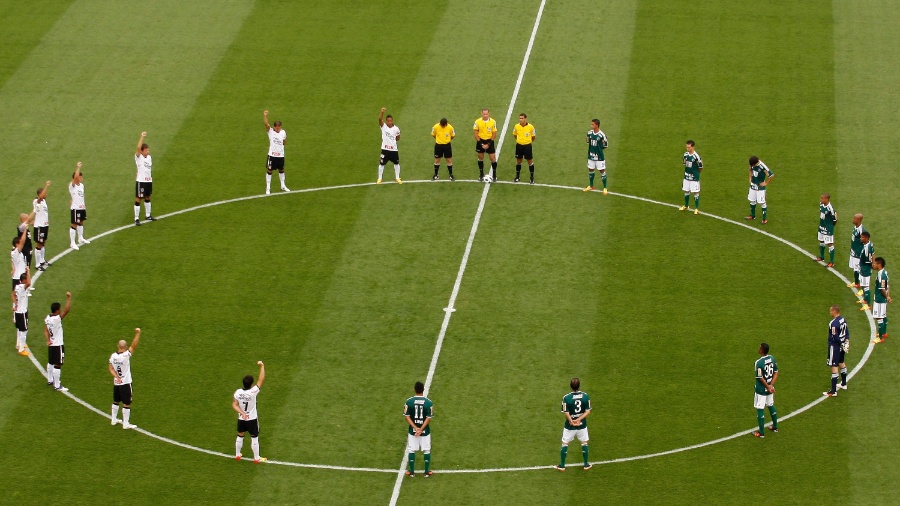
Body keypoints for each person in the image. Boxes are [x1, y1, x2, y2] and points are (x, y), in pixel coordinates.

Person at [233, 361, 267, 463]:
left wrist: (242, 413)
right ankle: (256, 458)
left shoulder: (238, 392)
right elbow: (261, 380)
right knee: (254, 437)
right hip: (252, 419)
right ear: (251, 384)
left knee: (240, 435)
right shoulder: (253, 392)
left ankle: (237, 454)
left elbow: (234, 404)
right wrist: (262, 366)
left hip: (241, 419)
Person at [556, 377, 592, 471]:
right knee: (584, 442)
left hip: (569, 426)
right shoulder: (585, 396)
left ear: (570, 386)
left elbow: (566, 412)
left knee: (565, 443)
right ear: (579, 386)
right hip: (582, 425)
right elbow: (588, 411)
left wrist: (571, 421)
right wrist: (579, 419)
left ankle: (562, 466)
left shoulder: (566, 398)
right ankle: (586, 464)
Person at [109, 328, 141, 429]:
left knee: (116, 401)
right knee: (127, 403)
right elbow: (134, 346)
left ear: (118, 346)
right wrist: (137, 333)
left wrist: (116, 376)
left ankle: (114, 419)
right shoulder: (126, 356)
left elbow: (110, 368)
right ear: (125, 347)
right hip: (126, 383)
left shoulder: (113, 356)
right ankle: (126, 424)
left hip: (117, 383)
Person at [403, 381, 434, 477]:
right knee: (426, 450)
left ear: (414, 389)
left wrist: (416, 428)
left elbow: (407, 416)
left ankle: (411, 471)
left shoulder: (409, 401)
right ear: (423, 389)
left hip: (413, 431)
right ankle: (426, 471)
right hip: (425, 430)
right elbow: (429, 418)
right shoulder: (428, 402)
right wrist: (421, 429)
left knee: (411, 450)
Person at [44, 291, 72, 391]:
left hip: (51, 344)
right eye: (59, 309)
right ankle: (57, 385)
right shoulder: (56, 319)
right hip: (58, 344)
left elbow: (45, 330)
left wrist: (48, 340)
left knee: (51, 362)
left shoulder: (47, 318)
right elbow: (67, 310)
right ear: (57, 310)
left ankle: (50, 379)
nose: (61, 310)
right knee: (58, 364)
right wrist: (69, 298)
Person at [752, 342, 779, 437]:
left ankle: (761, 432)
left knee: (760, 408)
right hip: (770, 388)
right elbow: (776, 372)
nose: (758, 348)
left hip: (761, 389)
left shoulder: (758, 363)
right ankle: (775, 427)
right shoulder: (772, 358)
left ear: (762, 350)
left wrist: (767, 387)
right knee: (771, 405)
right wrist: (771, 385)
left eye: (759, 347)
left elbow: (760, 377)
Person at [823, 305, 849, 397]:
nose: (830, 312)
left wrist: (841, 343)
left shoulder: (833, 323)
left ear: (834, 311)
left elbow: (835, 336)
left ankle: (833, 391)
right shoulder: (843, 319)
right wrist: (846, 342)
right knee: (841, 362)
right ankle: (844, 384)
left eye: (831, 311)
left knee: (834, 366)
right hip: (842, 346)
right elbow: (847, 332)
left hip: (835, 347)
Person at [263, 110, 289, 194]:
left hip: (280, 155)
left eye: (279, 127)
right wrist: (265, 116)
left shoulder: (283, 132)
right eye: (277, 127)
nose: (278, 128)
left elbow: (284, 141)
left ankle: (283, 185)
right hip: (272, 155)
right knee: (270, 170)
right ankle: (268, 188)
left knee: (281, 170)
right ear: (274, 127)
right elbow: (266, 125)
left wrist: (281, 147)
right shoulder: (270, 132)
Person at [133, 132, 157, 226]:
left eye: (148, 150)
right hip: (141, 181)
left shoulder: (149, 158)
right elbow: (138, 148)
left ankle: (148, 215)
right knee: (138, 198)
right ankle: (136, 218)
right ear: (142, 151)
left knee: (148, 197)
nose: (148, 152)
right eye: (146, 150)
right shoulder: (139, 157)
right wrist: (142, 137)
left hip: (148, 181)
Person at [745, 156, 774, 224]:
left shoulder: (762, 166)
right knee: (752, 200)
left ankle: (764, 219)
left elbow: (771, 175)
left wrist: (766, 183)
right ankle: (752, 216)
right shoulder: (752, 164)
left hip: (760, 188)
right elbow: (750, 169)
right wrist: (750, 177)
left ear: (756, 163)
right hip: (753, 185)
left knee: (762, 202)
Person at [377, 108, 402, 184]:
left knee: (396, 163)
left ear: (392, 121)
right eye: (388, 121)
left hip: (394, 150)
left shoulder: (396, 129)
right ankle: (380, 178)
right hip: (385, 149)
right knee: (382, 164)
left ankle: (397, 178)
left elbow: (398, 138)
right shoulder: (383, 126)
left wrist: (392, 141)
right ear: (386, 121)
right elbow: (380, 119)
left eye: (390, 121)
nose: (389, 122)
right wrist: (382, 112)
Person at [68, 162, 89, 250]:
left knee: (81, 222)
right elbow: (75, 177)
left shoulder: (82, 186)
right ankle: (72, 243)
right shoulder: (72, 186)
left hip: (82, 207)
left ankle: (80, 238)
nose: (81, 178)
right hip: (76, 208)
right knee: (74, 224)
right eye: (80, 177)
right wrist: (78, 167)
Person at [584, 119, 609, 194]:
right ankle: (591, 186)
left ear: (597, 125)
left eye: (592, 124)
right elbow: (588, 141)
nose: (591, 126)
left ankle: (605, 188)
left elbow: (605, 145)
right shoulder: (589, 133)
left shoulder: (602, 135)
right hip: (591, 155)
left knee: (602, 171)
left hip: (599, 157)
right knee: (590, 170)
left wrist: (599, 149)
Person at [679, 140, 703, 215]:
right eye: (686, 147)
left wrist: (696, 173)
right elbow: (684, 163)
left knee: (695, 192)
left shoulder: (696, 156)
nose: (687, 149)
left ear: (693, 147)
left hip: (694, 178)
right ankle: (686, 206)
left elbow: (701, 167)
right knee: (686, 191)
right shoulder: (685, 155)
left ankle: (696, 208)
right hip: (686, 177)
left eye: (689, 147)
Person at [473, 108, 498, 180]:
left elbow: (494, 134)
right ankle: (481, 174)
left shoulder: (493, 122)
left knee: (492, 158)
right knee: (480, 158)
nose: (485, 115)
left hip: (489, 141)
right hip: (480, 141)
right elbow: (475, 134)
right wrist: (481, 144)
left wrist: (488, 144)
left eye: (486, 114)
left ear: (489, 114)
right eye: (484, 114)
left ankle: (494, 174)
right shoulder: (477, 122)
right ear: (481, 113)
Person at [815, 193, 837, 267]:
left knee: (830, 244)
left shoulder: (831, 208)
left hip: (828, 229)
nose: (821, 200)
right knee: (821, 241)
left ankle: (832, 262)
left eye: (822, 198)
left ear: (827, 199)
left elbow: (835, 220)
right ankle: (821, 257)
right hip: (821, 227)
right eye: (821, 198)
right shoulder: (821, 204)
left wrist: (830, 227)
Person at [33, 181, 52, 270]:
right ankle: (37, 264)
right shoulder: (37, 201)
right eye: (44, 193)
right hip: (39, 226)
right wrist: (46, 186)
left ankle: (42, 261)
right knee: (39, 244)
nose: (46, 194)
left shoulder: (44, 201)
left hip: (44, 226)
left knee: (43, 243)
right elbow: (40, 197)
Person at [512, 113, 536, 183]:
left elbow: (533, 137)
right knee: (519, 161)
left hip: (527, 146)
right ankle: (517, 177)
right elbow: (515, 135)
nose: (520, 120)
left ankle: (532, 178)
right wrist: (519, 140)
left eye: (522, 118)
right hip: (519, 146)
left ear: (525, 119)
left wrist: (527, 141)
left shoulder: (530, 127)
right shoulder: (516, 126)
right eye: (520, 118)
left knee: (530, 162)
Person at [12, 269, 31, 355]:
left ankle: (18, 344)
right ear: (23, 280)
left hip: (20, 311)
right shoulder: (22, 287)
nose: (27, 279)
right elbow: (29, 283)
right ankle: (21, 349)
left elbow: (12, 294)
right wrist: (29, 272)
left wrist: (15, 303)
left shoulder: (17, 286)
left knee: (20, 329)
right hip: (22, 312)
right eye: (26, 278)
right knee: (24, 330)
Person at [872, 257, 891, 343]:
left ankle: (880, 338)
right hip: (883, 299)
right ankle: (884, 333)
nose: (874, 265)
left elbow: (882, 288)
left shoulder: (881, 275)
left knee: (879, 317)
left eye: (875, 263)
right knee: (883, 316)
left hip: (880, 300)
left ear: (879, 264)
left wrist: (887, 297)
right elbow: (888, 286)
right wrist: (888, 296)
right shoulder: (885, 273)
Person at [847, 214, 865, 290]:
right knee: (855, 269)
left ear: (858, 220)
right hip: (854, 252)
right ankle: (857, 283)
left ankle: (862, 287)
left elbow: (865, 242)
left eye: (854, 218)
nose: (853, 219)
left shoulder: (862, 230)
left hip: (858, 254)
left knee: (858, 270)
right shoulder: (855, 227)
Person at [857, 231, 874, 311]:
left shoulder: (868, 247)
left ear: (867, 238)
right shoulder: (868, 244)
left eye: (862, 237)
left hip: (866, 270)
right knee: (863, 285)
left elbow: (869, 261)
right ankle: (865, 299)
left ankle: (868, 305)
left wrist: (872, 266)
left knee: (866, 287)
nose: (861, 238)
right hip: (863, 268)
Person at [10, 227, 28, 291]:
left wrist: (13, 268)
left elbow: (12, 261)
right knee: (17, 296)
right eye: (19, 243)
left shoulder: (15, 251)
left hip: (19, 276)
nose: (21, 244)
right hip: (18, 277)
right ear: (16, 244)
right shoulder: (15, 252)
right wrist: (25, 230)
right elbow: (22, 242)